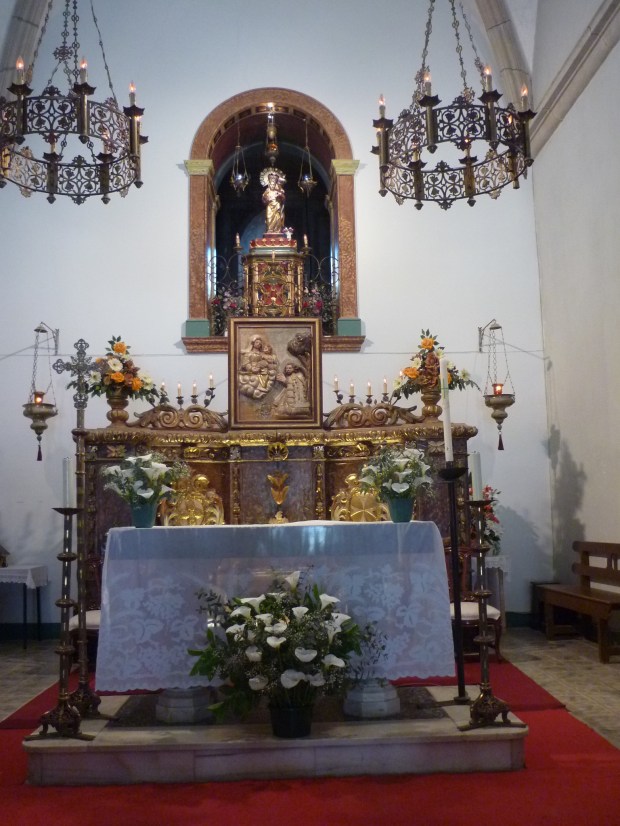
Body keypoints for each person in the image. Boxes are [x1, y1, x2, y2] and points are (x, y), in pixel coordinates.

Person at [238, 334, 278, 399]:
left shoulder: (262, 354)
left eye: (260, 343)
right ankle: (257, 389)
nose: (258, 344)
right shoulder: (248, 353)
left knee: (266, 374)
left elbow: (266, 361)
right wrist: (251, 368)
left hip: (260, 370)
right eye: (257, 342)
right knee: (254, 379)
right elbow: (245, 363)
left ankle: (262, 387)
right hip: (251, 370)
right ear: (253, 343)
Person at [261, 168, 286, 233]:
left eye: (273, 184)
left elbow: (283, 198)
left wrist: (280, 195)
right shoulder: (267, 191)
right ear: (269, 184)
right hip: (269, 206)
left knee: (277, 218)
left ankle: (277, 231)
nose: (272, 185)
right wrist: (267, 199)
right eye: (271, 184)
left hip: (277, 206)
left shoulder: (278, 191)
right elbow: (263, 199)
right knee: (269, 217)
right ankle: (270, 229)